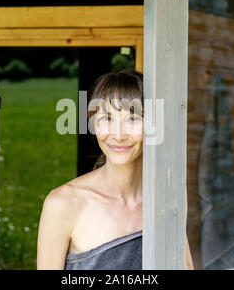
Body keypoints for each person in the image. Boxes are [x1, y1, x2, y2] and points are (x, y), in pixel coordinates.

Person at [37, 69, 194, 270]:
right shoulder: (62, 204)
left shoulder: (167, 196)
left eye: (133, 119)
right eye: (108, 119)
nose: (118, 135)